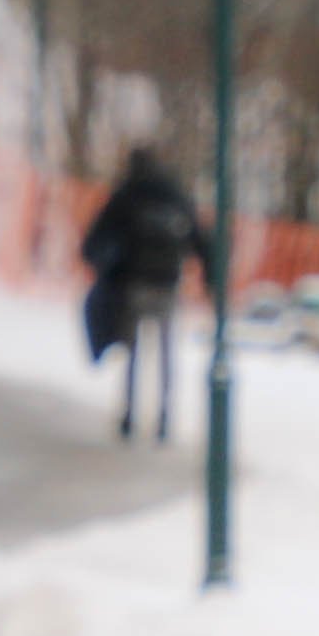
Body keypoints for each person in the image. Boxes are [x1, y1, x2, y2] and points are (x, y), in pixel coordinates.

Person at [82, 146, 211, 442]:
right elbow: (199, 238)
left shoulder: (128, 194)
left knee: (134, 353)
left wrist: (102, 264)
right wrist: (210, 276)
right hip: (167, 285)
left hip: (134, 285)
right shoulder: (175, 195)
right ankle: (165, 418)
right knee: (166, 354)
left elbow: (97, 237)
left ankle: (130, 414)